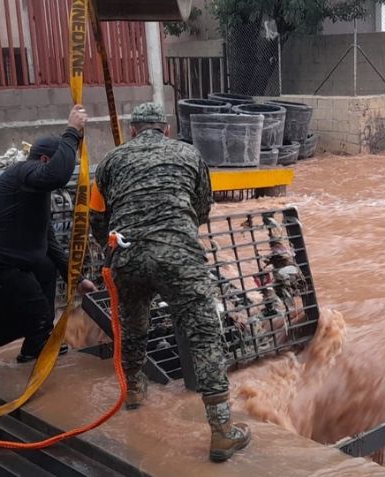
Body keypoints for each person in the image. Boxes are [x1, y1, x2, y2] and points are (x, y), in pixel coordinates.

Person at [89, 102, 251, 463]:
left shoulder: (111, 161)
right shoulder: (189, 153)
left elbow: (97, 216)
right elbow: (202, 207)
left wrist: (110, 247)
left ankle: (132, 391)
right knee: (204, 335)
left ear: (133, 131)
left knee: (133, 325)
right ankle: (223, 432)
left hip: (127, 255)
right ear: (165, 130)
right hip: (178, 255)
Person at [0, 105, 96, 382]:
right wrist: (72, 132)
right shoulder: (24, 172)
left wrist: (76, 278)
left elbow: (50, 245)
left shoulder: (30, 195)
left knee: (43, 264)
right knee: (34, 316)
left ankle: (35, 345)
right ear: (43, 160)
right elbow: (58, 174)